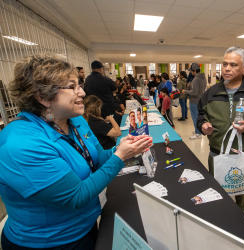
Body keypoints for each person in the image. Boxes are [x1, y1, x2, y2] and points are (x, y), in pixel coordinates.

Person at [0, 55, 153, 249]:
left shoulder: (76, 120)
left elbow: (96, 159)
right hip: (48, 243)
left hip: (86, 227)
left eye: (79, 84)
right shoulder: (22, 144)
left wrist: (119, 148)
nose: (82, 92)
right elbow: (75, 196)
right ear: (43, 97)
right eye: (72, 87)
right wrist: (120, 156)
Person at [197, 47, 244, 212]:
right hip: (216, 153)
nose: (227, 68)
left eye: (233, 65)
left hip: (242, 154)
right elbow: (200, 116)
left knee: (241, 192)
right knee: (217, 192)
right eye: (225, 64)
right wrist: (203, 125)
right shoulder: (211, 93)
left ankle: (241, 215)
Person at [183, 63, 207, 139]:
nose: (190, 73)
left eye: (191, 71)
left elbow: (194, 92)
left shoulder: (196, 79)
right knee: (198, 117)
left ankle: (198, 133)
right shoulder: (203, 78)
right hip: (200, 100)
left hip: (194, 101)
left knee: (195, 117)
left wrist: (185, 91)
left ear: (194, 71)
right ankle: (198, 131)